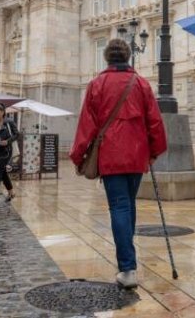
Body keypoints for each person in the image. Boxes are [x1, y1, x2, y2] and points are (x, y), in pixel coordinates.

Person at [70, 38, 167, 289]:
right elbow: (154, 121)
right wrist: (155, 150)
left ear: (107, 58)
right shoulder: (141, 84)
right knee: (128, 205)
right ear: (127, 57)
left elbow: (87, 123)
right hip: (136, 155)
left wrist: (78, 155)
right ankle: (128, 259)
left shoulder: (97, 84)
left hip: (110, 155)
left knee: (120, 206)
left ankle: (127, 268)